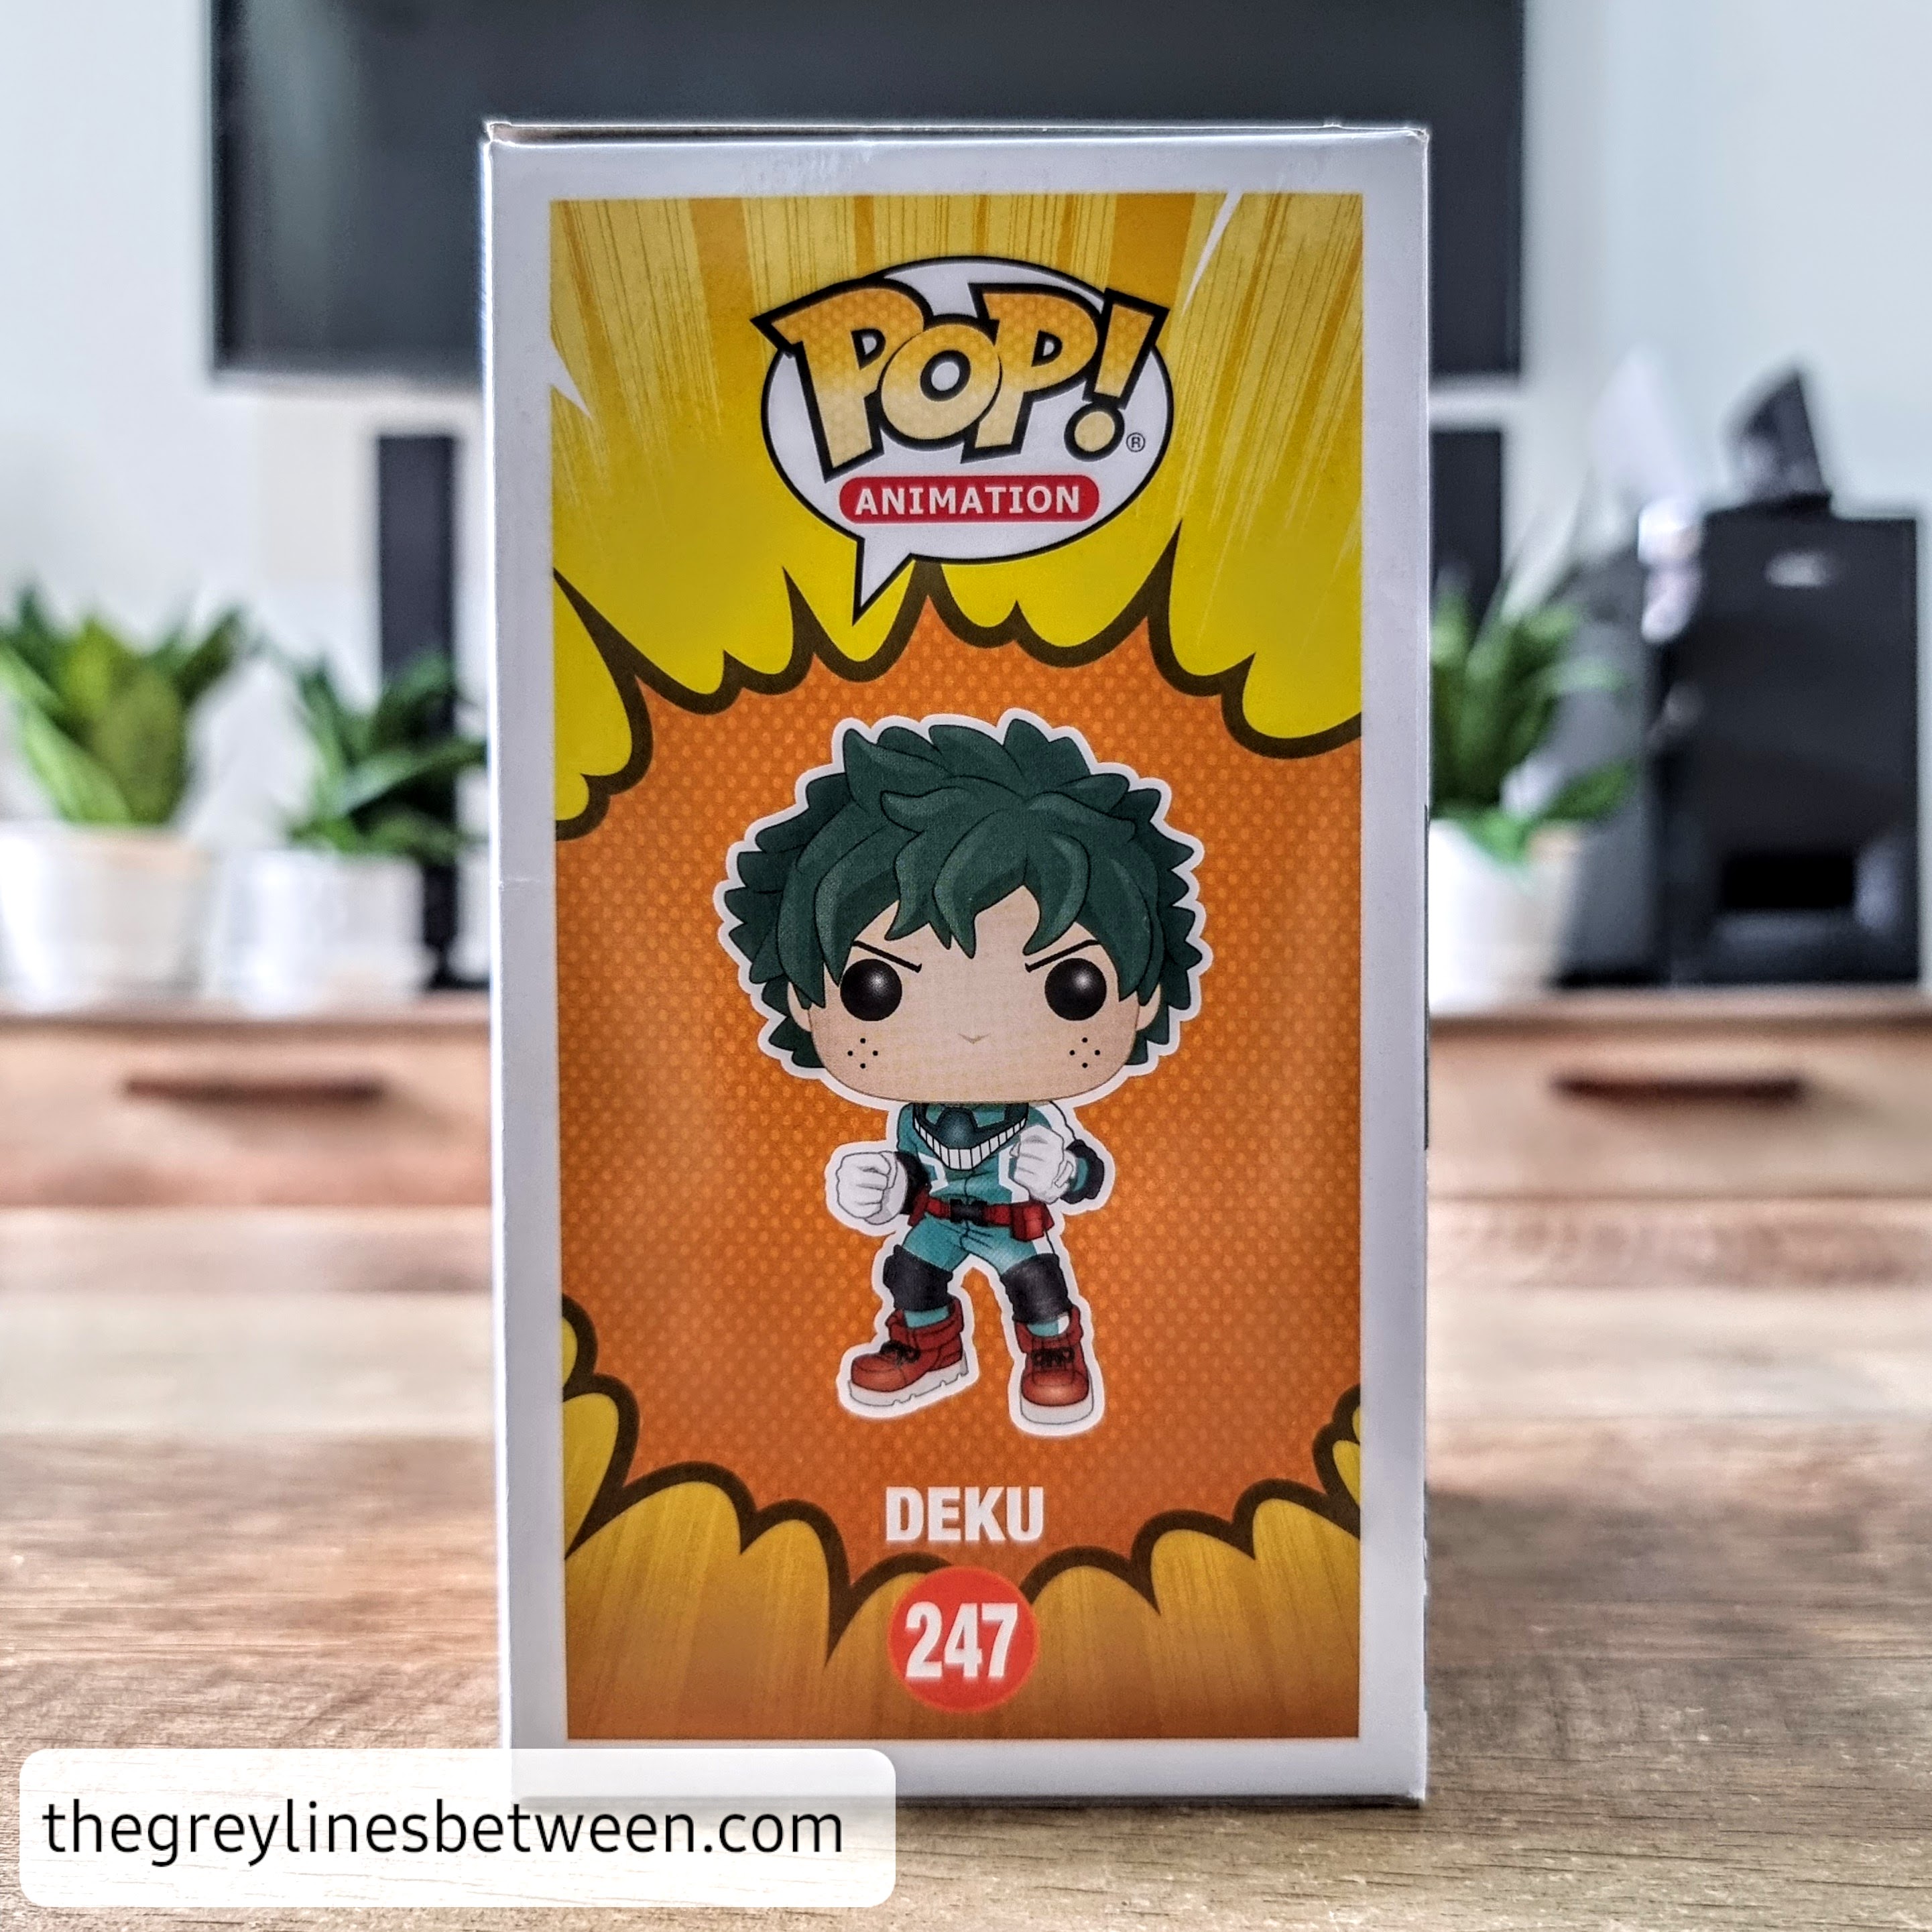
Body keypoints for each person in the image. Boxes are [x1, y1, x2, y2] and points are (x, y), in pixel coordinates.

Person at [718, 709, 1207, 1435]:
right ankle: (929, 1345)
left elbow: (1087, 1176)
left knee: (1038, 1285)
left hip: (1012, 1225)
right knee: (909, 1275)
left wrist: (1063, 1169)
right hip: (938, 1222)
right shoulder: (914, 1119)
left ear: (1142, 1001)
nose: (972, 1031)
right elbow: (915, 1172)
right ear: (803, 1000)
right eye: (876, 987)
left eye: (1069, 986)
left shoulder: (1032, 1119)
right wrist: (888, 1188)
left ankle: (1054, 1351)